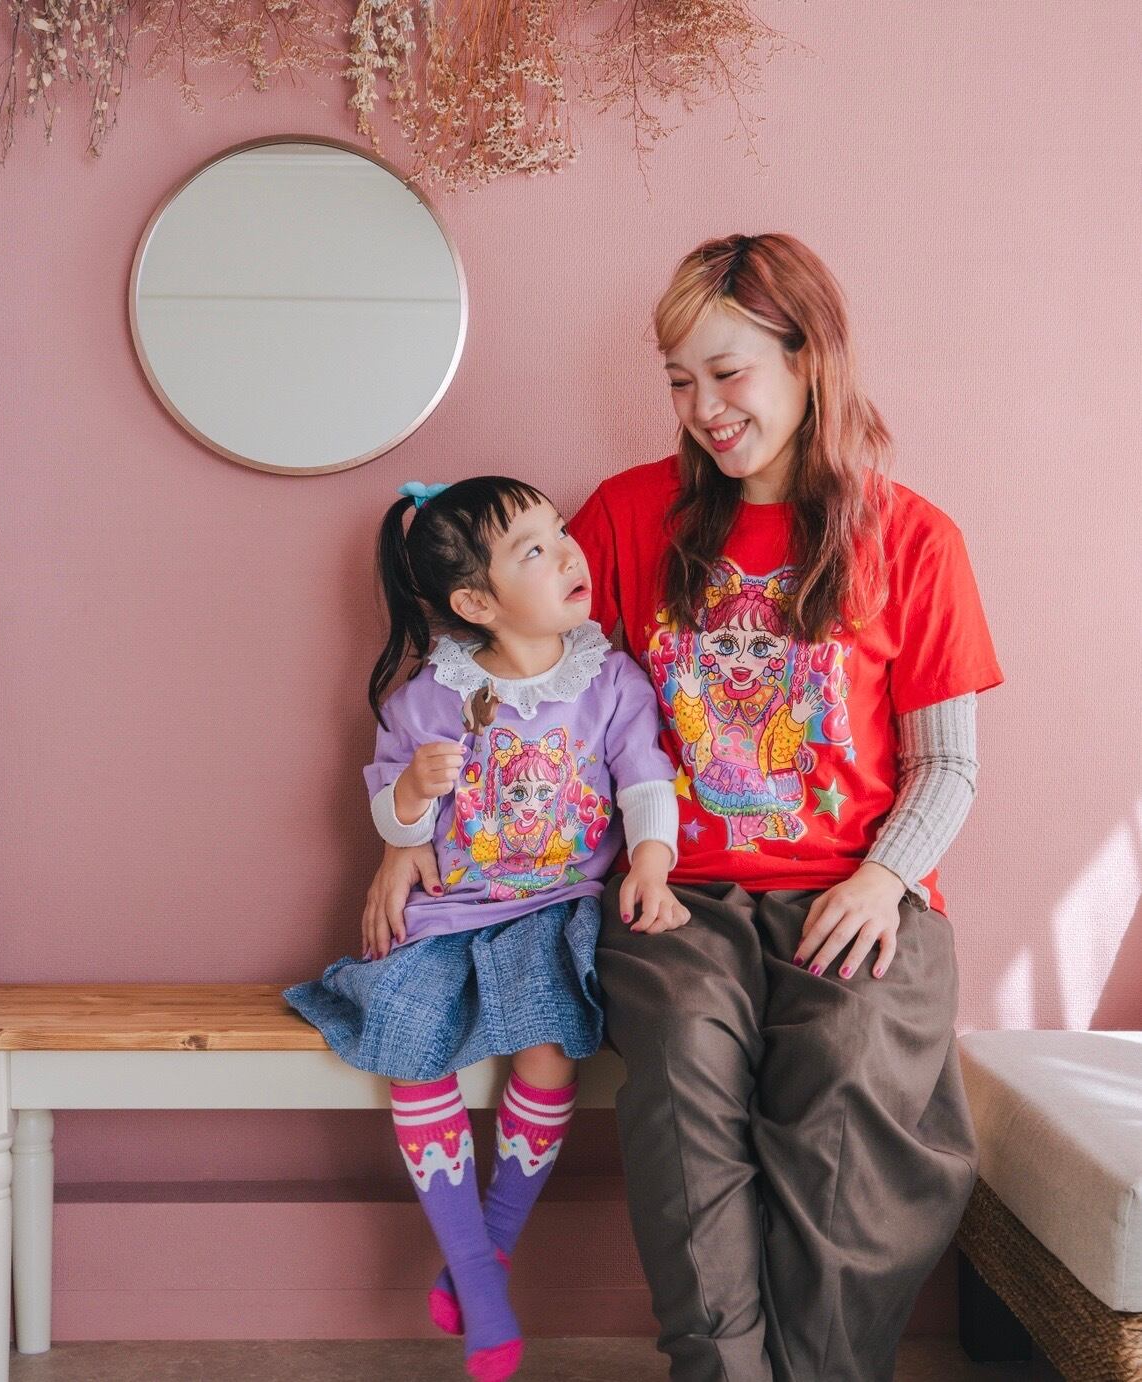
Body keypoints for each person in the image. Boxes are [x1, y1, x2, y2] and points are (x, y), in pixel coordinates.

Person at [362, 235, 1004, 1381]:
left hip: (859, 891)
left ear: (809, 358)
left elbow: (946, 765)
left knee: (853, 1083)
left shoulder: (914, 539)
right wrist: (410, 830)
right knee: (683, 1077)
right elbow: (511, 670)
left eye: (727, 371)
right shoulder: (623, 516)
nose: (703, 407)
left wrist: (882, 879)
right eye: (678, 379)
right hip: (676, 893)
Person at [284, 476, 680, 1382]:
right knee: (408, 1041)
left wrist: (652, 862)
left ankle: (492, 1241)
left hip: (554, 908)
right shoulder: (431, 696)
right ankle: (473, 1269)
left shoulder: (609, 679)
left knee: (548, 1045)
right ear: (474, 603)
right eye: (534, 550)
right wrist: (410, 796)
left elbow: (645, 778)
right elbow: (394, 819)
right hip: (452, 912)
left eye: (560, 533)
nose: (569, 554)